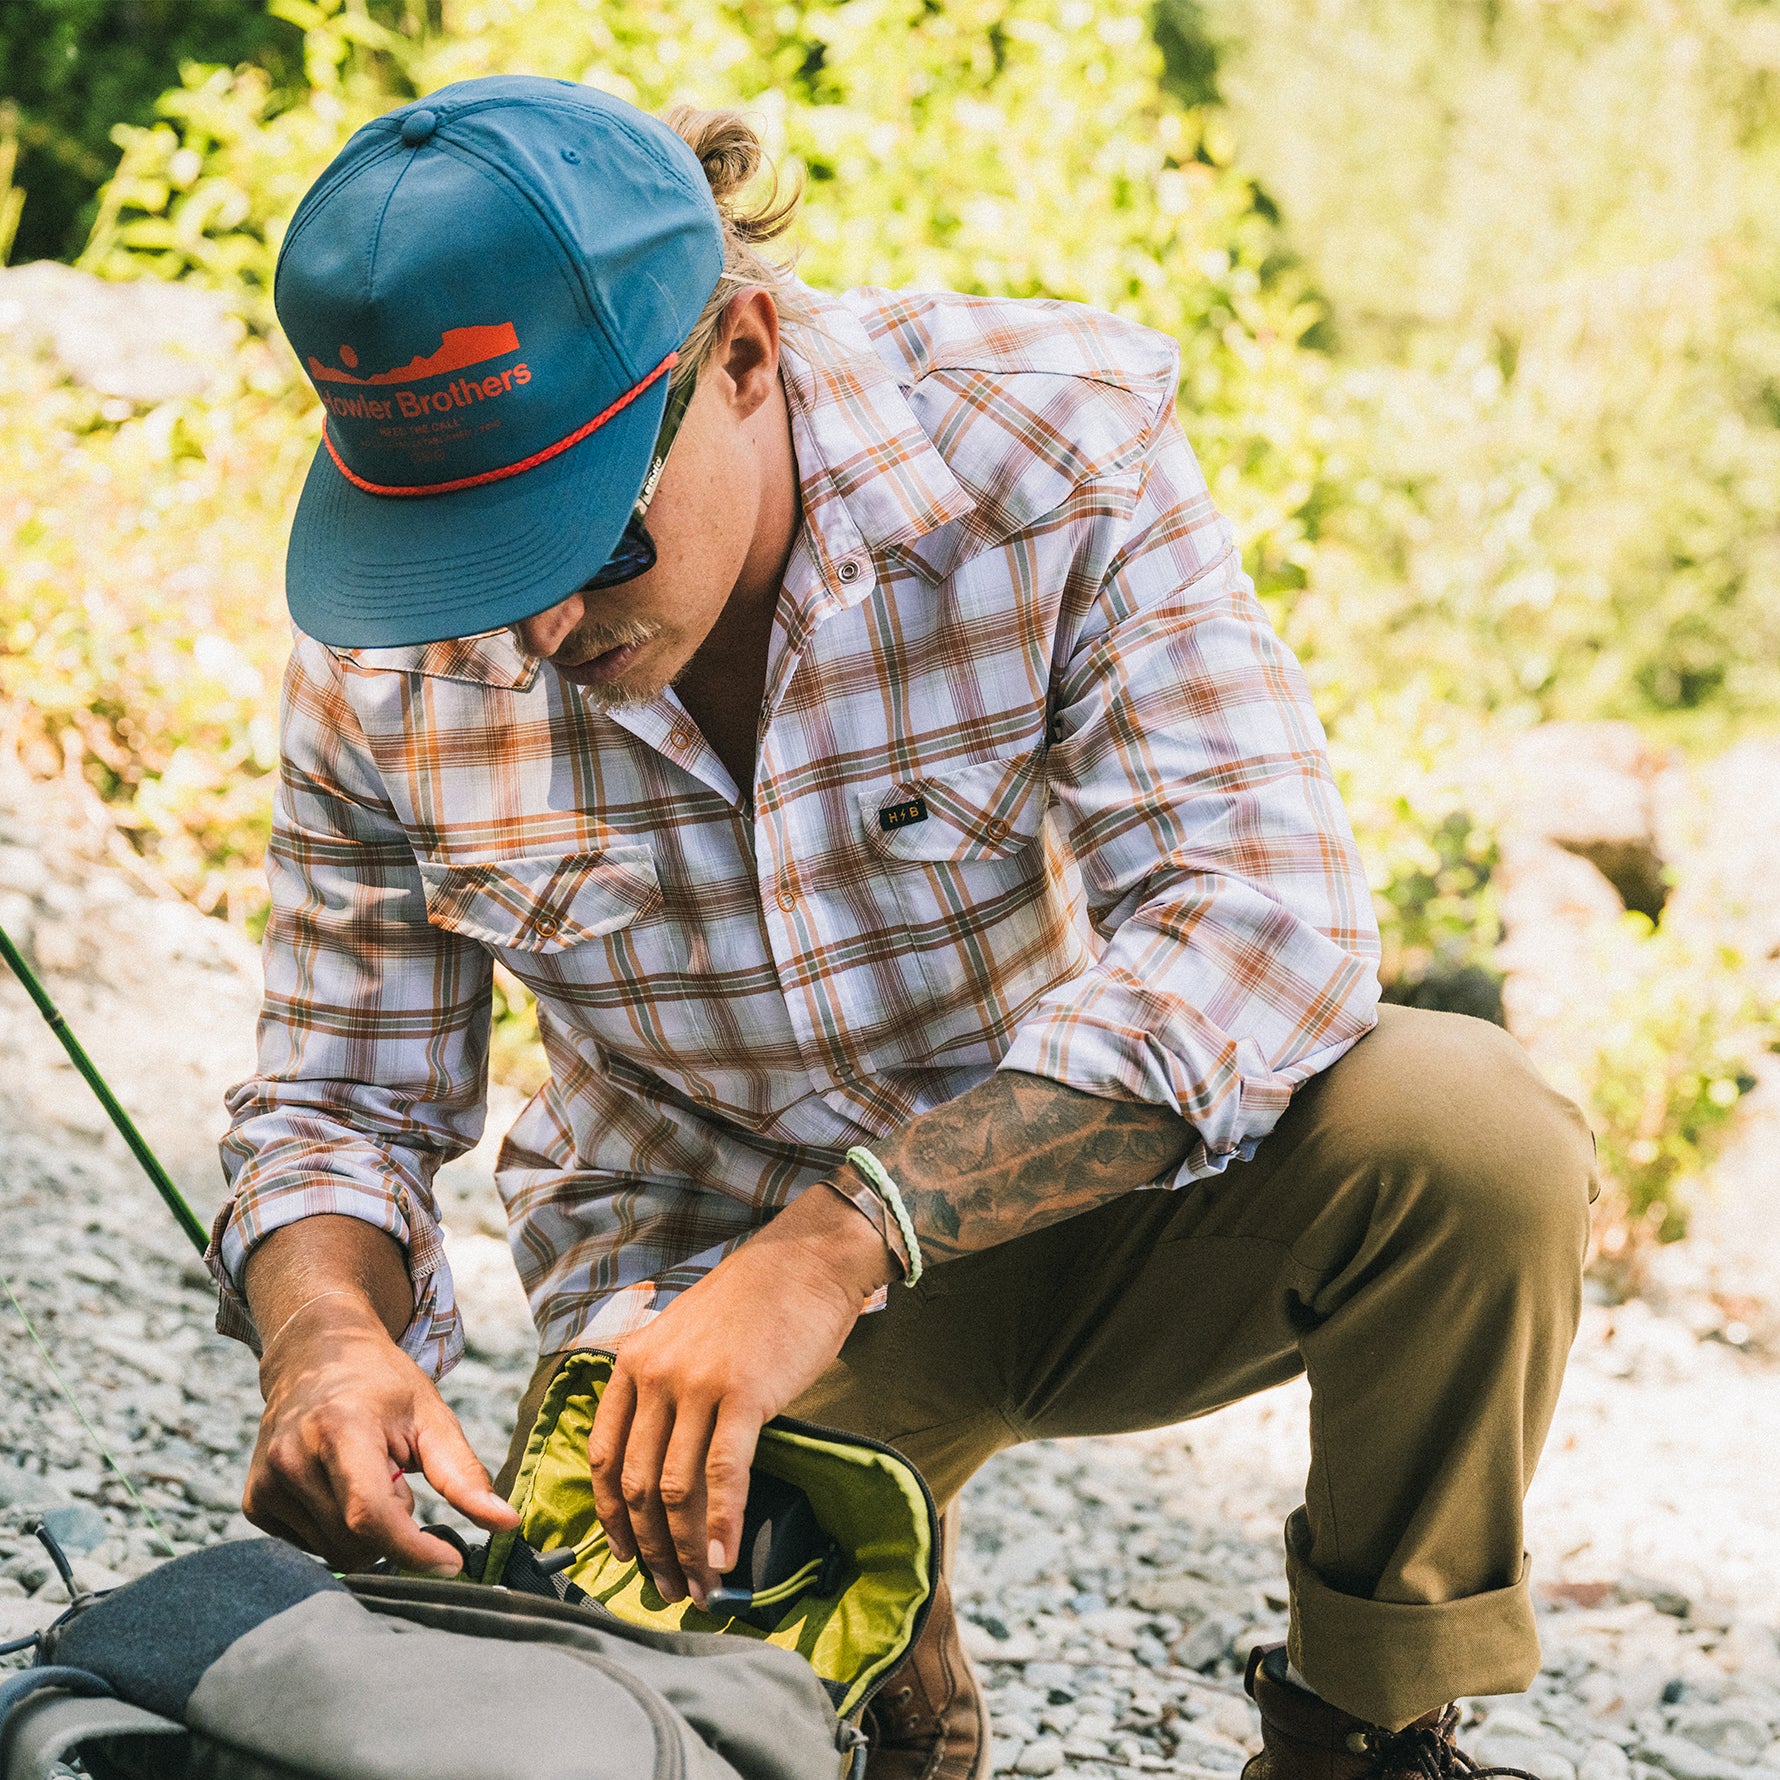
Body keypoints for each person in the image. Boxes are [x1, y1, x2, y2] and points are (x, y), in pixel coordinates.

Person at [216, 75, 1596, 1780]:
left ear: (740, 354)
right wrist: (327, 1336)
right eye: (477, 563)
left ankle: (1360, 1737)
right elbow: (336, 1107)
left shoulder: (1044, 438)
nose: (543, 617)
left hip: (1099, 1193)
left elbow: (1262, 924)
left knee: (1474, 1141)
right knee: (626, 1735)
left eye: (588, 538)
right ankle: (884, 1675)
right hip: (685, 1320)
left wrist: (842, 1242)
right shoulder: (380, 660)